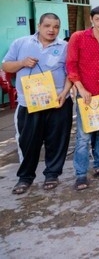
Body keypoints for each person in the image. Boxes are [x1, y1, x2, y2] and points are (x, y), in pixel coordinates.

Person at [3, 13, 73, 195]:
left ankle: (52, 174)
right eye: (47, 26)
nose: (52, 30)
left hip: (57, 102)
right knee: (28, 140)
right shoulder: (21, 43)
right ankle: (25, 177)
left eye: (56, 27)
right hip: (29, 103)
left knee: (57, 140)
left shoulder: (65, 47)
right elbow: (6, 66)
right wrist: (22, 63)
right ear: (39, 27)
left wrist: (64, 94)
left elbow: (71, 74)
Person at [67, 6, 99, 191]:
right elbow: (71, 65)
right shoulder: (78, 37)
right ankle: (80, 174)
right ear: (91, 19)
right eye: (98, 19)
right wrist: (80, 88)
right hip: (85, 95)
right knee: (83, 136)